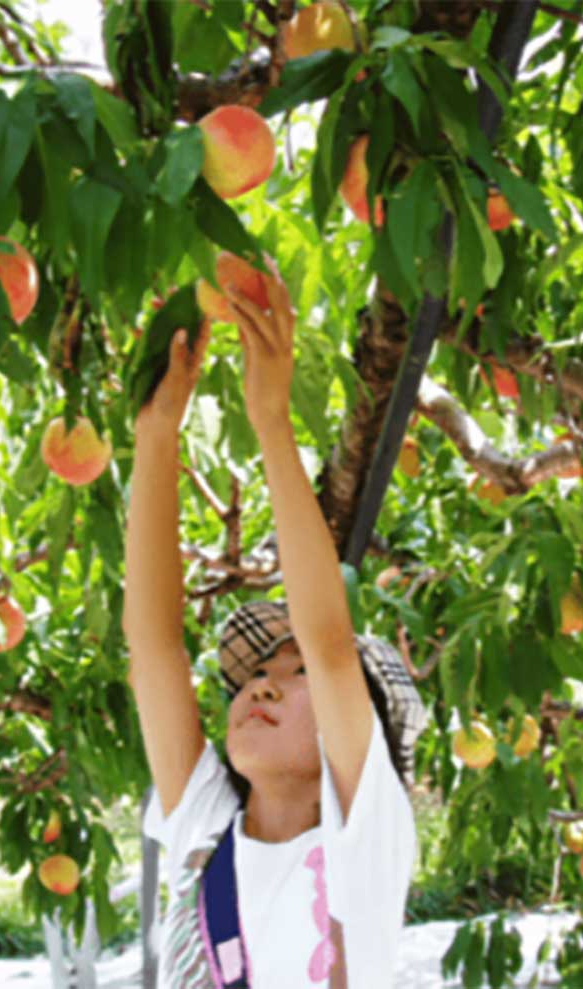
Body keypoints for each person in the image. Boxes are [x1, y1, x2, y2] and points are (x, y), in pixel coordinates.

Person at [123, 261, 429, 988]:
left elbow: (328, 646)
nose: (261, 682)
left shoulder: (364, 840)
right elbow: (155, 647)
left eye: (291, 680)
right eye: (260, 671)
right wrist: (157, 432)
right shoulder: (207, 832)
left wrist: (270, 419)